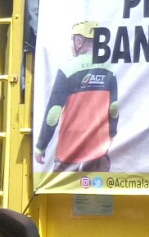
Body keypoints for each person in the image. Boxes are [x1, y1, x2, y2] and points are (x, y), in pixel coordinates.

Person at [35, 20, 120, 173]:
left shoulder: (67, 69)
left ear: (79, 41)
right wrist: (112, 134)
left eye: (72, 39)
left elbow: (53, 114)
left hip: (69, 149)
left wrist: (41, 146)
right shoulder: (109, 68)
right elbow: (114, 109)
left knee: (62, 195)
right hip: (98, 148)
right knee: (96, 194)